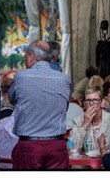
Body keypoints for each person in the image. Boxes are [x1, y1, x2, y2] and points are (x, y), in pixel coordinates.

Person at [9, 40, 72, 169]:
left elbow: (11, 98)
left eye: (25, 56)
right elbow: (64, 107)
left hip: (29, 146)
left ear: (31, 57)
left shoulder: (21, 77)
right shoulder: (64, 79)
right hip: (57, 146)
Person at [70, 87, 110, 158]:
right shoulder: (78, 121)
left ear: (102, 102)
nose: (91, 103)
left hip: (106, 160)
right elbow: (73, 149)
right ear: (84, 104)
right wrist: (85, 124)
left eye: (95, 100)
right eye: (88, 100)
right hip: (86, 161)